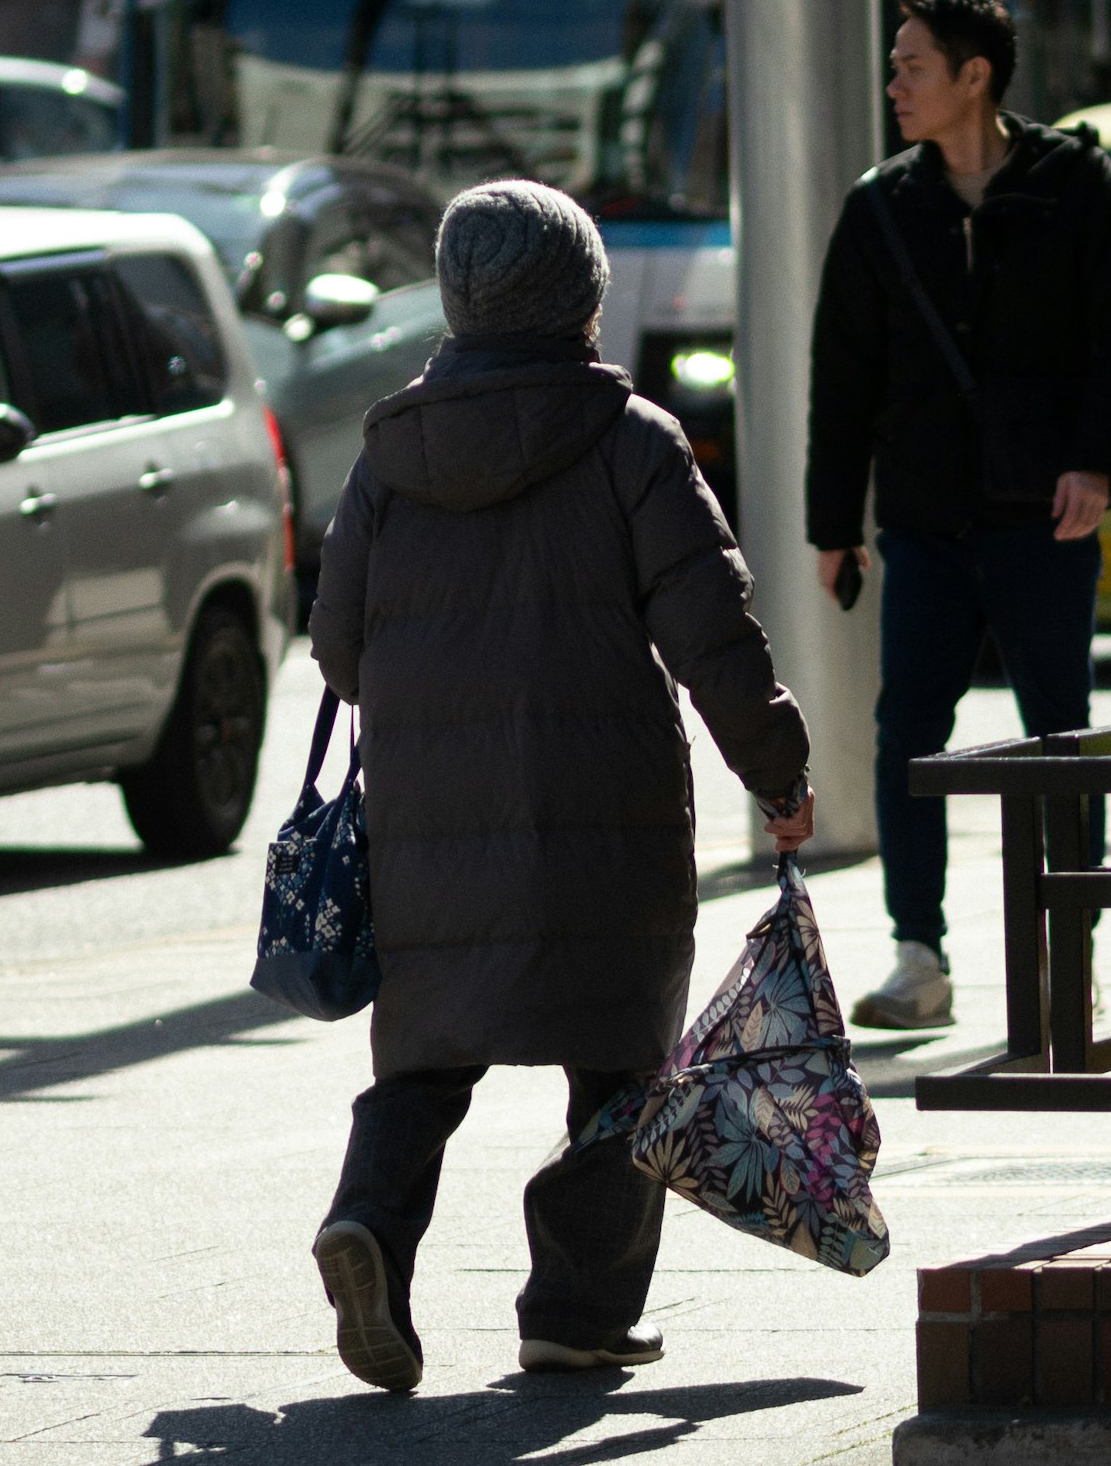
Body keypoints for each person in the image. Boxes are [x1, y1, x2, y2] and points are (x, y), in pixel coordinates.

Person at [307, 177, 815, 1394]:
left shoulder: (388, 456)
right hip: (609, 817)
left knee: (421, 1063)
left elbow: (334, 651)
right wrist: (780, 770)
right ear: (580, 294)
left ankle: (371, 1221)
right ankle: (575, 1313)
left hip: (429, 820)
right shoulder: (631, 441)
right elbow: (713, 634)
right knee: (625, 1066)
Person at [805, 0, 1111, 1032]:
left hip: (1047, 516)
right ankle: (919, 954)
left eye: (914, 65)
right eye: (895, 63)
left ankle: (1069, 954)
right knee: (908, 733)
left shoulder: (1078, 184)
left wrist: (1097, 463)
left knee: (1062, 736)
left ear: (976, 76)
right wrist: (834, 526)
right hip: (925, 522)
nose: (895, 83)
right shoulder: (881, 207)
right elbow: (844, 375)